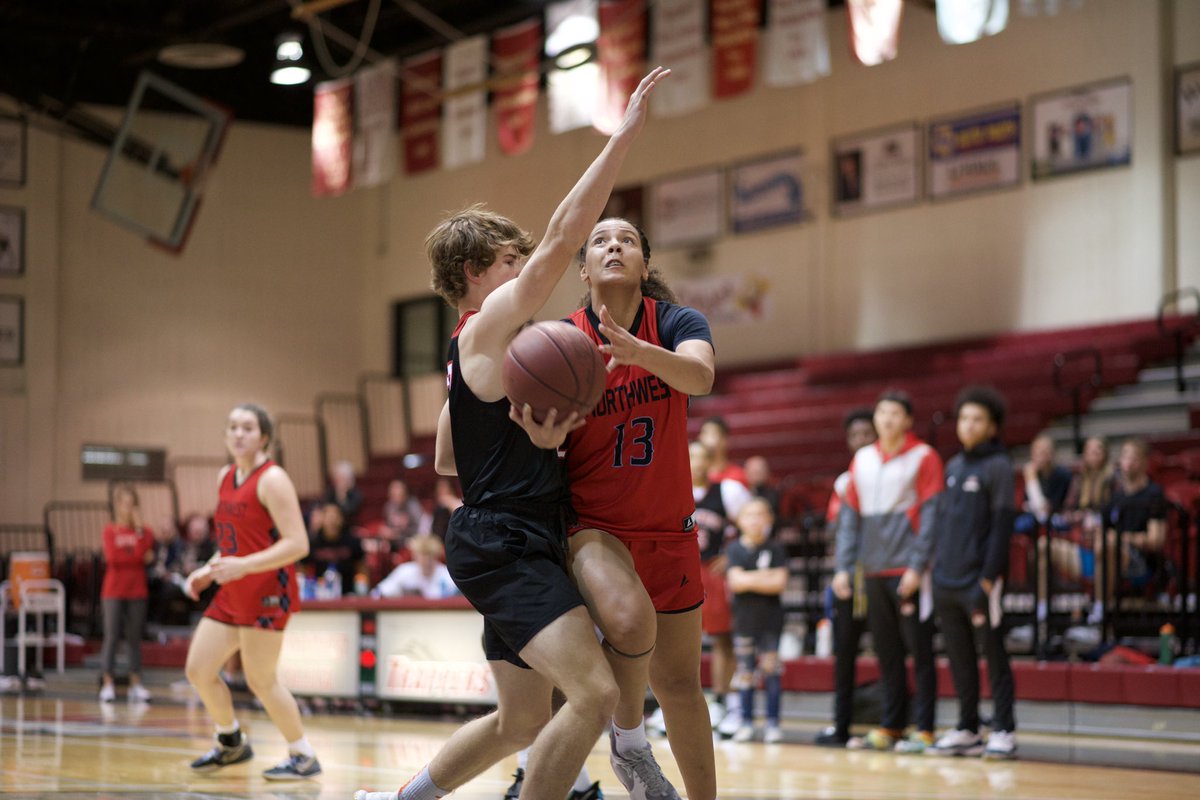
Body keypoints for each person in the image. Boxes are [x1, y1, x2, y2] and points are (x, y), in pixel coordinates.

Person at [354, 66, 668, 800]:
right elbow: (566, 235)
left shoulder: (472, 352)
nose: (525, 269)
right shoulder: (491, 323)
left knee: (520, 721)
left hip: (504, 529)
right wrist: (621, 138)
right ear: (473, 272)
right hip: (507, 537)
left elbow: (442, 457)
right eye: (508, 260)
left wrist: (526, 438)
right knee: (591, 697)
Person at [562, 215, 717, 800]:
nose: (614, 246)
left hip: (669, 529)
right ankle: (627, 743)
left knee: (679, 684)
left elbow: (700, 376)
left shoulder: (676, 323)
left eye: (627, 239)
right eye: (600, 240)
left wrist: (638, 352)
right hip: (595, 527)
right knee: (626, 623)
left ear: (644, 265)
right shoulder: (564, 339)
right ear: (584, 268)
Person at [181, 403, 321, 781]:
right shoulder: (225, 475)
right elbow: (232, 543)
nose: (238, 434)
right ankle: (230, 742)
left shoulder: (273, 479)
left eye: (246, 427)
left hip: (267, 591)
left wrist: (243, 566)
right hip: (231, 591)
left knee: (261, 680)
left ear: (263, 437)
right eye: (232, 427)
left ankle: (303, 755)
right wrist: (207, 570)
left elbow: (298, 544)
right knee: (198, 669)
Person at [832, 390, 943, 753]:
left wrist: (917, 566)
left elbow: (930, 518)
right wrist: (844, 567)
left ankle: (924, 727)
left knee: (919, 649)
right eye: (882, 413)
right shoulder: (861, 459)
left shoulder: (923, 457)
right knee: (887, 651)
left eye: (895, 413)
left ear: (908, 420)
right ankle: (893, 725)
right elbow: (850, 519)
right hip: (873, 571)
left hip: (908, 571)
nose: (888, 420)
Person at [926, 387, 1017, 760]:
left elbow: (1002, 526)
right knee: (959, 657)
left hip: (979, 580)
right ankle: (967, 726)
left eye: (977, 418)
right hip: (946, 579)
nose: (968, 425)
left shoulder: (1000, 466)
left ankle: (1004, 729)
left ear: (993, 427)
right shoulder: (953, 466)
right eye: (963, 418)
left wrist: (988, 578)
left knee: (993, 655)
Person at [814, 407, 877, 747]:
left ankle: (894, 726)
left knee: (890, 650)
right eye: (855, 435)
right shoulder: (844, 482)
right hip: (850, 578)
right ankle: (841, 726)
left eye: (867, 433)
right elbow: (835, 529)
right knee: (845, 652)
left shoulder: (889, 474)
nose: (861, 440)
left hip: (883, 575)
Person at [687, 440, 753, 737]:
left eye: (702, 457)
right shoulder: (672, 488)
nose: (697, 463)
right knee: (676, 638)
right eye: (691, 457)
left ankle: (722, 700)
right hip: (681, 570)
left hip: (712, 570)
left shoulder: (727, 490)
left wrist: (733, 554)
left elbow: (753, 520)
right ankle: (675, 702)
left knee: (721, 637)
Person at [725, 497, 789, 744]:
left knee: (772, 672)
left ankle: (773, 723)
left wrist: (750, 578)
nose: (755, 520)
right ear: (740, 521)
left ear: (769, 520)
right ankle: (746, 722)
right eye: (750, 515)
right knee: (745, 672)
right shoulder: (734, 549)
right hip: (744, 622)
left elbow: (779, 583)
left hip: (771, 622)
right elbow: (735, 583)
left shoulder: (776, 549)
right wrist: (764, 577)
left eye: (761, 514)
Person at [1093, 438, 1168, 628]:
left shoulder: (1154, 494)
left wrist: (1121, 538)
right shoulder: (1116, 496)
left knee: (1109, 545)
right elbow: (1100, 527)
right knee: (1045, 545)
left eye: (1133, 457)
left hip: (1140, 563)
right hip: (1105, 555)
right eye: (1124, 456)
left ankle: (1099, 615)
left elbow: (1155, 540)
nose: (1127, 462)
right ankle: (1042, 614)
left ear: (1144, 462)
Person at [98, 483, 156, 703]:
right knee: (111, 636)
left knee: (134, 638)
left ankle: (136, 684)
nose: (128, 509)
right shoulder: (109, 531)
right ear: (117, 506)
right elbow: (114, 558)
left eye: (132, 505)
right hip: (113, 591)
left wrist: (139, 534)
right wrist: (136, 554)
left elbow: (147, 555)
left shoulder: (145, 531)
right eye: (124, 504)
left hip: (137, 590)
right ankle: (107, 683)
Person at [305, 500, 364, 596]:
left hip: (348, 594)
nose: (332, 521)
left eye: (335, 517)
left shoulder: (352, 541)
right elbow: (303, 569)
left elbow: (362, 566)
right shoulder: (313, 542)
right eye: (328, 517)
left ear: (341, 519)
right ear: (322, 519)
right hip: (320, 595)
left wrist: (362, 591)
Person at [372, 535, 459, 600]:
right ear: (415, 556)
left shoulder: (447, 575)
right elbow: (377, 593)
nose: (426, 561)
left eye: (430, 556)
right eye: (422, 556)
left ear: (437, 556)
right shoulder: (404, 571)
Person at [698, 416, 747, 486]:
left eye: (713, 434)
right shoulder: (693, 476)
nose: (707, 439)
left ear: (725, 440)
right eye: (704, 433)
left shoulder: (738, 476)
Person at [381, 478, 425, 544]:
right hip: (395, 542)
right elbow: (389, 526)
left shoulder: (413, 506)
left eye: (399, 494)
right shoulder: (389, 507)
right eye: (393, 495)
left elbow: (420, 528)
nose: (396, 497)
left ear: (405, 493)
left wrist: (397, 532)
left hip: (411, 541)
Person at [323, 460, 363, 524]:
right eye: (336, 478)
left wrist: (342, 499)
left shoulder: (356, 494)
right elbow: (324, 505)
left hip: (349, 525)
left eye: (341, 478)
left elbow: (349, 513)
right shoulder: (332, 492)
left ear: (349, 479)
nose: (337, 482)